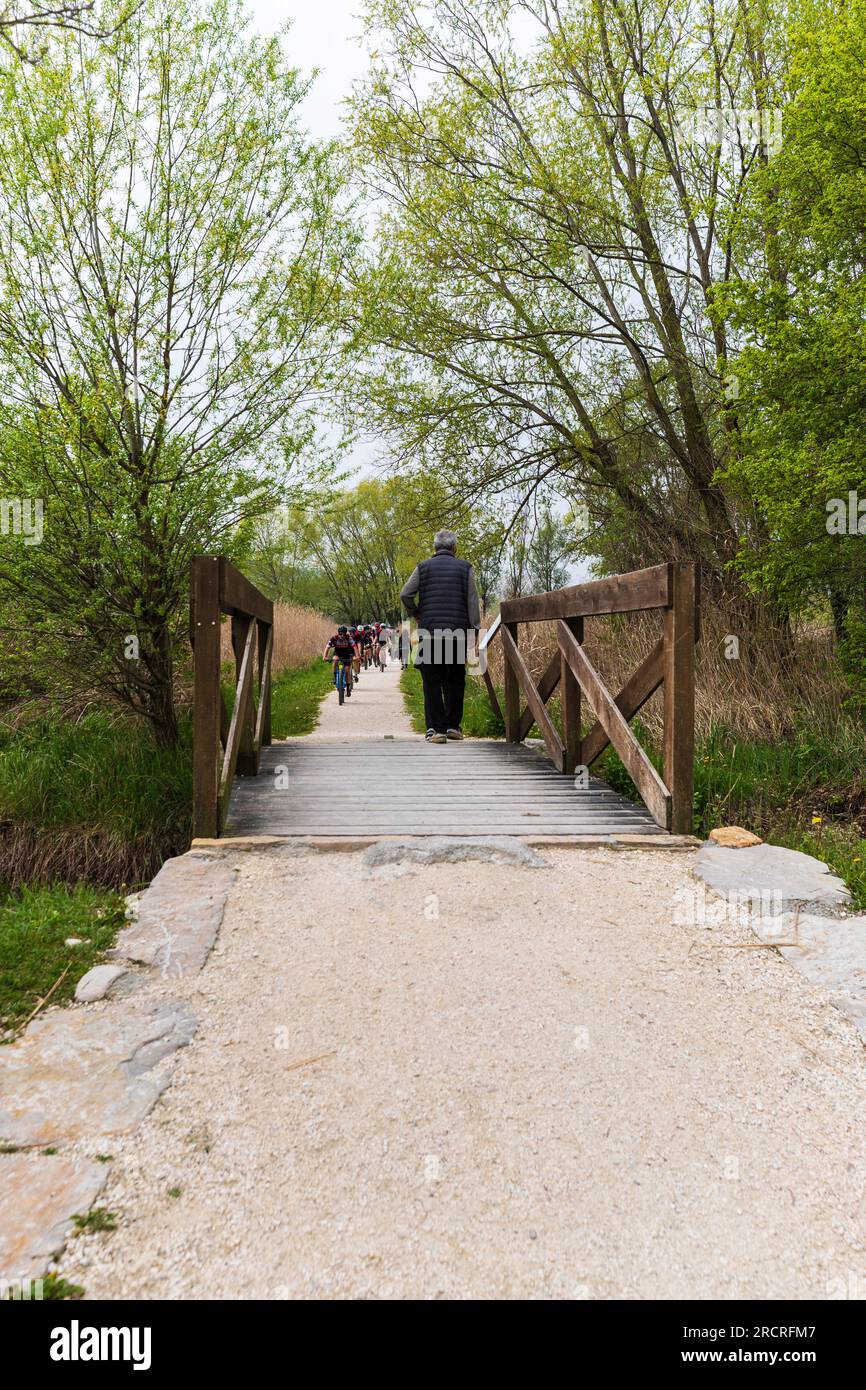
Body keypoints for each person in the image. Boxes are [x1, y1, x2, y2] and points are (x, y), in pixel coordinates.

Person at [400, 529, 481, 743]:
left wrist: (416, 612)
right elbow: (472, 602)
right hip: (457, 633)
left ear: (435, 548)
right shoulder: (465, 568)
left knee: (432, 681)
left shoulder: (423, 567)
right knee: (455, 680)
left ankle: (436, 730)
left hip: (430, 631)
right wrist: (474, 631)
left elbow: (405, 593)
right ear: (455, 548)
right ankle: (453, 726)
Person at [322, 625, 356, 695]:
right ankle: (334, 678)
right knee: (335, 661)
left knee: (347, 670)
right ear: (338, 633)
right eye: (340, 633)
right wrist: (325, 656)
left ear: (346, 633)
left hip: (346, 654)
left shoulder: (349, 638)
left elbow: (355, 647)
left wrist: (357, 656)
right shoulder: (334, 638)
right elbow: (327, 647)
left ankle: (348, 687)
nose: (342, 635)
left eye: (344, 633)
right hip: (337, 653)